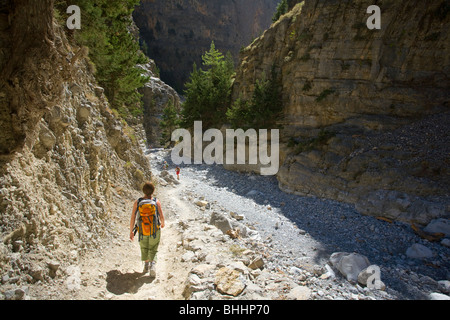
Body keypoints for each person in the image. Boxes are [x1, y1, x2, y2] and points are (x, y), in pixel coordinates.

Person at [130, 181, 165, 277]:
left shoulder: (138, 202)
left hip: (142, 230)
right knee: (153, 248)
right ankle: (153, 265)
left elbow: (133, 217)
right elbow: (161, 216)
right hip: (155, 229)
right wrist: (162, 223)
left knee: (144, 247)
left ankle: (146, 265)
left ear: (143, 191)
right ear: (153, 191)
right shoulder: (156, 202)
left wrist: (131, 231)